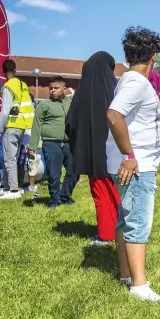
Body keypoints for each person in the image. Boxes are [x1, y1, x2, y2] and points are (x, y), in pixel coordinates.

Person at [107, 26, 160, 301]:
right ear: (154, 55)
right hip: (136, 165)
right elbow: (113, 115)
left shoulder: (130, 80)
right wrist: (130, 156)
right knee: (138, 221)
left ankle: (126, 274)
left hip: (130, 162)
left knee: (125, 219)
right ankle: (139, 286)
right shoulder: (135, 82)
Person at [66, 51, 121, 246]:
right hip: (117, 150)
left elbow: (70, 122)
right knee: (117, 191)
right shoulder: (117, 91)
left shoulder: (82, 93)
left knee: (100, 191)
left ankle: (106, 234)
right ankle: (121, 229)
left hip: (92, 152)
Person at [28, 76, 77, 208]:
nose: (52, 91)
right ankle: (55, 200)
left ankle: (65, 196)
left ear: (64, 89)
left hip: (69, 143)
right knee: (54, 174)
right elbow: (36, 125)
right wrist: (32, 145)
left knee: (75, 171)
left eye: (56, 88)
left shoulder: (70, 103)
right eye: (51, 88)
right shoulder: (44, 104)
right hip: (51, 143)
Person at [0, 59, 34, 200]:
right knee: (13, 158)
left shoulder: (8, 86)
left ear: (3, 71)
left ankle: (13, 190)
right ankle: (7, 187)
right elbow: (29, 107)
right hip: (23, 126)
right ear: (15, 70)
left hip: (11, 126)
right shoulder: (23, 85)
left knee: (9, 159)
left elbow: (5, 111)